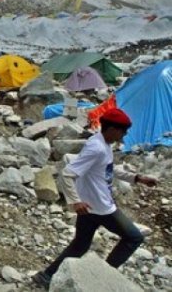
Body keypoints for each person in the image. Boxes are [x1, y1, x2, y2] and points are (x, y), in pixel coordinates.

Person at [32, 108, 158, 288]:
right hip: (101, 208)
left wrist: (137, 178)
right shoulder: (97, 148)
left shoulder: (101, 143)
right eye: (123, 130)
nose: (125, 134)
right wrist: (75, 201)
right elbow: (67, 174)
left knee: (79, 245)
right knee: (133, 237)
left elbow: (108, 169)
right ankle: (104, 274)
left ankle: (46, 276)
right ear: (112, 129)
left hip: (90, 206)